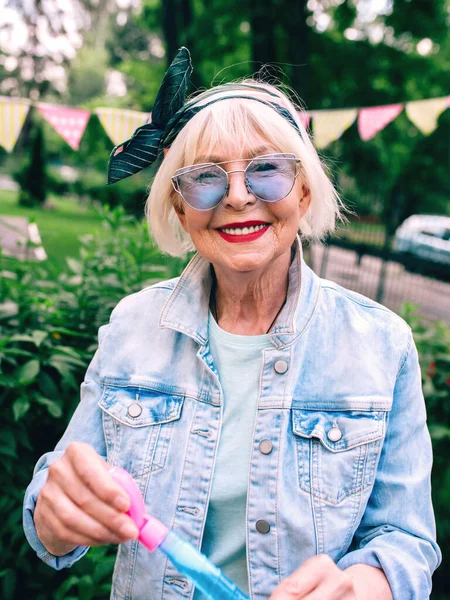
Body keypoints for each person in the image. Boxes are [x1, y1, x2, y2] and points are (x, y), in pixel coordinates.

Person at [23, 48, 440, 599]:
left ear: (305, 190)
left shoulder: (382, 345)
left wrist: (364, 585)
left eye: (267, 169)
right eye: (205, 178)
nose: (239, 196)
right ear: (179, 206)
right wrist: (56, 514)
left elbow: (407, 539)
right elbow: (53, 512)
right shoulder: (132, 326)